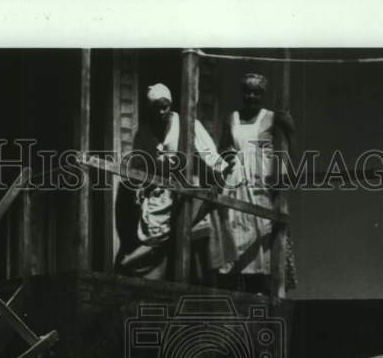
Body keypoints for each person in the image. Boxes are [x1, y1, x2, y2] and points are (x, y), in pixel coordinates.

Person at [115, 83, 231, 281]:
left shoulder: (186, 124)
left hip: (185, 188)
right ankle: (128, 266)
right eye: (156, 107)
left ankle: (195, 283)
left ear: (171, 105)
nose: (161, 111)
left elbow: (209, 156)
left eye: (165, 106)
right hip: (159, 192)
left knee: (185, 234)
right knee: (155, 236)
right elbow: (140, 164)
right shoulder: (145, 132)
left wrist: (215, 179)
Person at [211, 72, 298, 294]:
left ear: (262, 95)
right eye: (247, 92)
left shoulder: (271, 116)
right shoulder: (232, 118)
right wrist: (227, 158)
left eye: (256, 92)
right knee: (237, 232)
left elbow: (290, 140)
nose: (251, 96)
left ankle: (266, 290)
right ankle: (245, 288)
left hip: (262, 181)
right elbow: (222, 150)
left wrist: (285, 171)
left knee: (264, 233)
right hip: (237, 181)